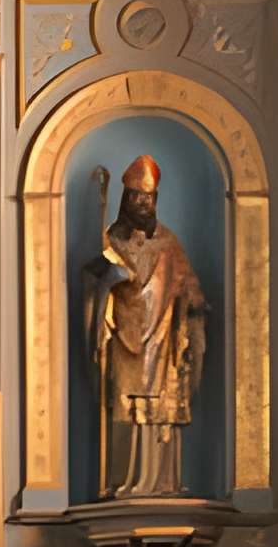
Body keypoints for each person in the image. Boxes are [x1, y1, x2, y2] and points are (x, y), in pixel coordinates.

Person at [88, 153, 207, 498]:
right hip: (125, 341)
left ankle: (160, 483)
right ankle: (124, 484)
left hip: (162, 341)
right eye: (137, 196)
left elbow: (188, 285)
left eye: (149, 197)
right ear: (126, 198)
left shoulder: (169, 243)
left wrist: (193, 307)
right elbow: (97, 282)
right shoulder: (112, 241)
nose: (143, 203)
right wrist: (107, 280)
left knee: (159, 412)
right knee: (125, 411)